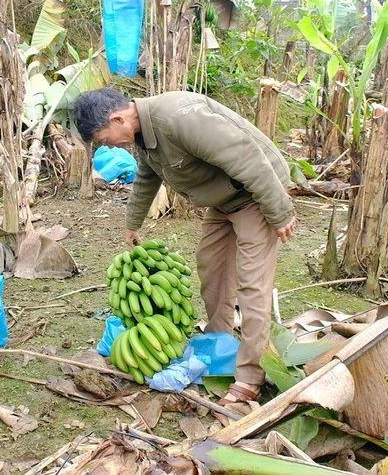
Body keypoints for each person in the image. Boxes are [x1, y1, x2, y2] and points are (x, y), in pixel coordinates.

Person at [72, 88, 296, 410]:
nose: (108, 146)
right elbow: (147, 178)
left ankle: (249, 378)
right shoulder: (143, 138)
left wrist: (279, 211)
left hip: (256, 194)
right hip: (224, 200)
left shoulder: (178, 118)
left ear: (117, 119)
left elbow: (247, 157)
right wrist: (132, 224)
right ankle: (219, 344)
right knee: (212, 267)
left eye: (105, 139)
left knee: (252, 285)